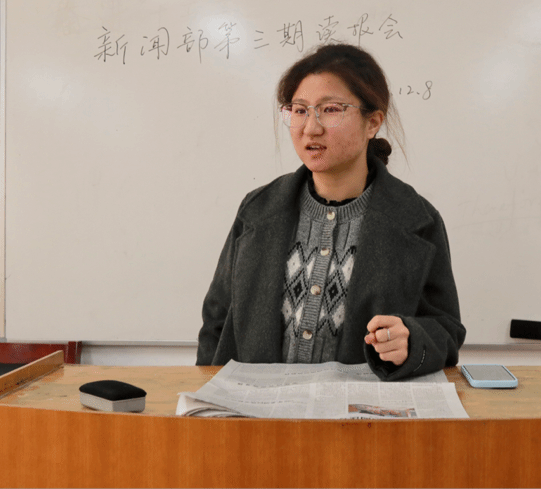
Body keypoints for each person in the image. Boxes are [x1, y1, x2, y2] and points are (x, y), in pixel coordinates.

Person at [196, 43, 465, 380]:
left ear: (372, 122)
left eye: (331, 109)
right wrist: (205, 393)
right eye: (299, 110)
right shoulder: (258, 209)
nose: (311, 127)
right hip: (256, 406)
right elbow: (217, 320)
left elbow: (446, 330)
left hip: (360, 408)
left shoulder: (417, 219)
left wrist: (411, 340)